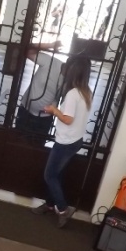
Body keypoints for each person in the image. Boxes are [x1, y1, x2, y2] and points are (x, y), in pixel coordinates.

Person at [31, 56, 93, 228]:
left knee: (49, 175)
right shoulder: (86, 91)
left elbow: (68, 119)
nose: (64, 69)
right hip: (75, 140)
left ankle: (63, 209)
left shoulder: (73, 94)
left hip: (65, 142)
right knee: (57, 174)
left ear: (73, 71)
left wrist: (53, 110)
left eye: (67, 67)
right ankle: (50, 204)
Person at [15, 41, 65, 134]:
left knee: (38, 142)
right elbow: (27, 51)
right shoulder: (51, 62)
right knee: (17, 138)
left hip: (44, 119)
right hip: (25, 111)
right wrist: (50, 45)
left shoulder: (72, 80)